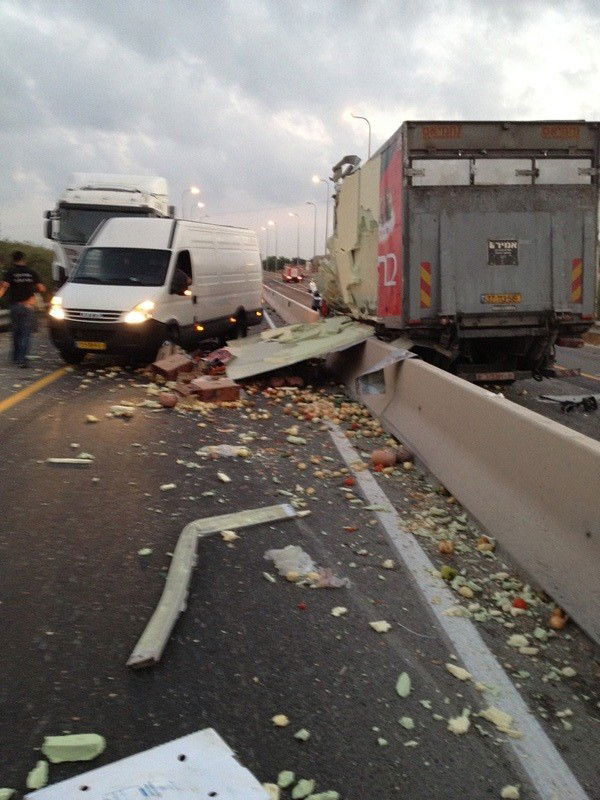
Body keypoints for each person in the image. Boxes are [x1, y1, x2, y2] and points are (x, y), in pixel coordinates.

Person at [0, 251, 46, 367]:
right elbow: (41, 288)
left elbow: (4, 288)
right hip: (28, 306)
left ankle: (15, 357)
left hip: (15, 306)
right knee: (25, 333)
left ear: (13, 260)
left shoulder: (10, 272)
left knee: (16, 332)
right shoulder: (31, 272)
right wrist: (33, 294)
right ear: (23, 259)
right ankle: (22, 360)